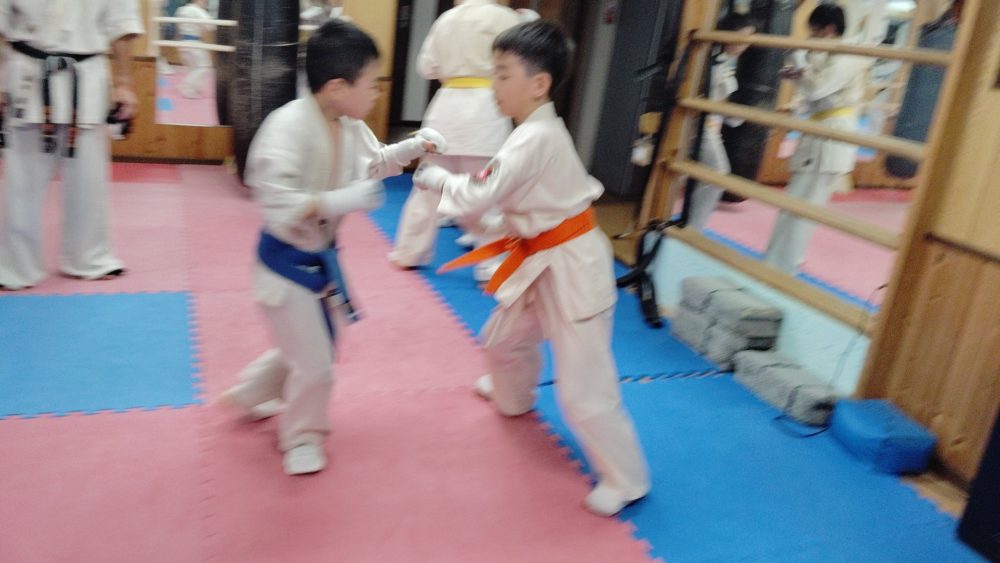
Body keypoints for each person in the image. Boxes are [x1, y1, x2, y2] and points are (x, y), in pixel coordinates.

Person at [413, 21, 650, 516]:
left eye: (503, 75)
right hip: (540, 258)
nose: (494, 85)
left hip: (573, 268)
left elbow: (478, 194)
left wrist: (434, 177)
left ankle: (626, 479)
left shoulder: (535, 138)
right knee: (503, 339)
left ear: (538, 84)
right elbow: (508, 200)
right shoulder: (528, 134)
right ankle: (513, 395)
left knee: (584, 386)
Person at [217, 19, 444, 475]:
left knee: (311, 345)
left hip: (319, 261)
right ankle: (302, 436)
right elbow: (277, 202)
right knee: (316, 361)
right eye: (372, 83)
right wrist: (340, 200)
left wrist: (412, 148)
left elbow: (374, 163)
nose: (377, 92)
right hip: (284, 264)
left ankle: (253, 391)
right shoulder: (286, 128)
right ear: (338, 87)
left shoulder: (348, 124)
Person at [0, 0, 143, 291]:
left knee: (89, 179)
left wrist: (124, 83)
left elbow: (122, 25)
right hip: (27, 72)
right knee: (21, 182)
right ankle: (13, 265)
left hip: (87, 74)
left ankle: (89, 257)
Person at [387, 0, 521, 283]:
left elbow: (426, 67)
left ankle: (408, 252)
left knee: (426, 189)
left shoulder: (446, 19)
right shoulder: (505, 17)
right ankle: (490, 265)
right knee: (487, 194)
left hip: (445, 109)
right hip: (487, 110)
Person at [763, 3, 869, 273]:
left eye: (814, 31)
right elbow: (812, 87)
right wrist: (797, 75)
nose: (811, 36)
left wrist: (800, 65)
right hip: (819, 128)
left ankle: (784, 267)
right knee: (794, 204)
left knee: (803, 208)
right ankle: (775, 263)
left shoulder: (848, 55)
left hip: (831, 134)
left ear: (829, 29)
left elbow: (818, 89)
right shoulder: (828, 53)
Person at [686, 13, 755, 230]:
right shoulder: (711, 62)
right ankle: (693, 228)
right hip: (699, 125)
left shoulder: (726, 61)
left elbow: (723, 101)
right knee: (716, 174)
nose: (746, 44)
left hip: (711, 125)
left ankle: (692, 226)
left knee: (709, 176)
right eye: (742, 38)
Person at [175, 0, 214, 99]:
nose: (206, 2)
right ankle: (186, 86)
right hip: (194, 43)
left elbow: (178, 27)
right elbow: (210, 26)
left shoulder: (181, 10)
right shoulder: (198, 10)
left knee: (193, 68)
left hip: (182, 42)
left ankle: (193, 89)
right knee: (204, 67)